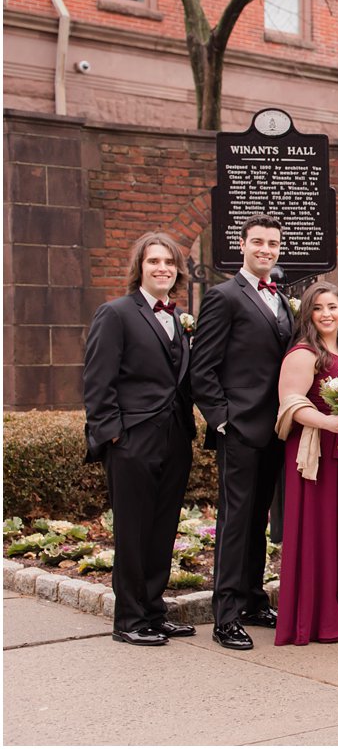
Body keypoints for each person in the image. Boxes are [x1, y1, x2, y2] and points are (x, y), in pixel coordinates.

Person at [83, 232, 196, 647]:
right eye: (154, 262)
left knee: (163, 527)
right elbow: (98, 381)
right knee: (132, 530)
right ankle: (128, 619)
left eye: (169, 262)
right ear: (140, 268)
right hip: (131, 439)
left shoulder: (181, 318)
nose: (162, 268)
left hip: (174, 438)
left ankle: (154, 610)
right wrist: (112, 435)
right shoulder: (115, 314)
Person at [190, 214, 293, 651]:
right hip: (241, 427)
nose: (265, 250)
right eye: (258, 242)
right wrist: (222, 418)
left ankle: (253, 599)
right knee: (235, 522)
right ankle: (226, 616)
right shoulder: (223, 297)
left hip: (277, 428)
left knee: (258, 521)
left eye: (272, 244)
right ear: (242, 245)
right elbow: (202, 366)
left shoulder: (282, 300)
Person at [272, 282, 338, 646]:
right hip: (316, 454)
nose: (327, 314)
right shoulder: (304, 354)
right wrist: (329, 422)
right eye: (318, 308)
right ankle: (318, 617)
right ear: (308, 314)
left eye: (333, 307)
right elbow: (290, 404)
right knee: (319, 531)